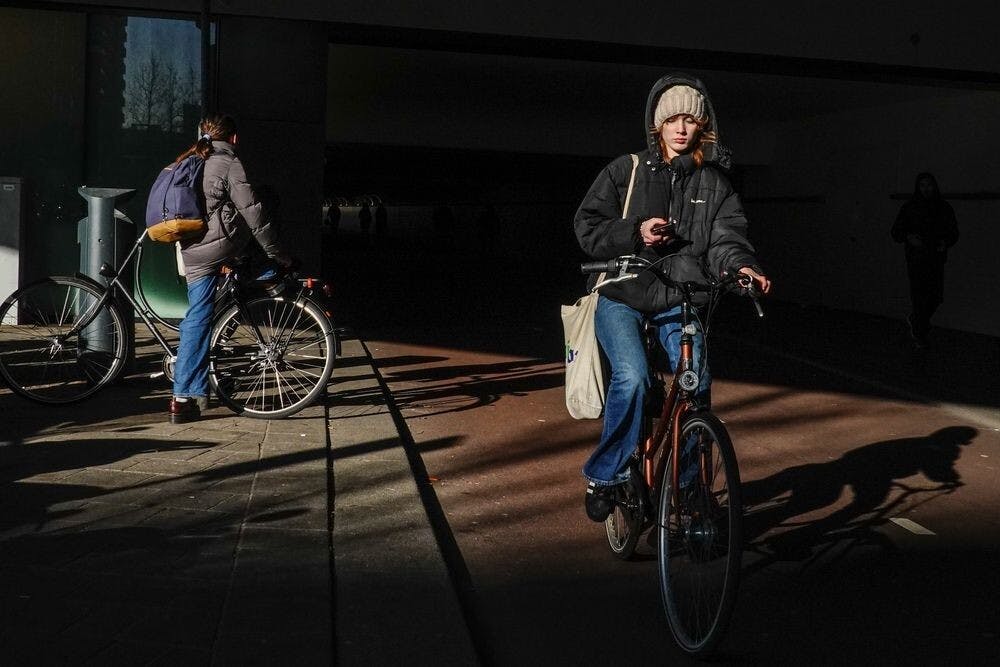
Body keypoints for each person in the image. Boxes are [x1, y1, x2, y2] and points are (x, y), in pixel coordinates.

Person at [574, 74, 771, 521]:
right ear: (658, 125)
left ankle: (688, 486)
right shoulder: (625, 170)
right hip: (622, 291)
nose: (681, 128)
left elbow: (727, 238)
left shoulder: (715, 184)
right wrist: (635, 232)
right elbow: (587, 227)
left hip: (680, 296)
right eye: (672, 120)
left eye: (690, 120)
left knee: (696, 383)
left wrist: (741, 267)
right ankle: (605, 473)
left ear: (702, 126)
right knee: (632, 378)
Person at [169, 113, 293, 424]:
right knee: (262, 220)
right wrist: (278, 254)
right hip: (216, 246)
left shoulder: (190, 158)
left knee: (201, 313)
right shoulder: (228, 162)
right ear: (234, 138)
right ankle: (268, 275)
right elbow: (253, 213)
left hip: (190, 247)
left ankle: (188, 393)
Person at [891, 172, 958, 348]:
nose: (926, 189)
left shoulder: (943, 207)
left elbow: (953, 232)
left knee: (934, 297)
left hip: (935, 259)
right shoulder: (910, 208)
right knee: (920, 297)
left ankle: (917, 323)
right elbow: (896, 232)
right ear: (918, 187)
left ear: (934, 186)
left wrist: (946, 242)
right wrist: (908, 237)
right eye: (922, 185)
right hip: (917, 259)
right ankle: (920, 334)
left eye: (929, 185)